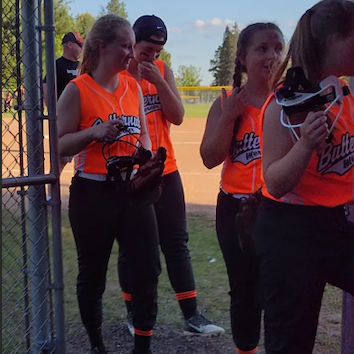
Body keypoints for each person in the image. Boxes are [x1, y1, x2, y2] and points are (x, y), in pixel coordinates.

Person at [253, 1, 354, 353]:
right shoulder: (286, 102)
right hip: (289, 233)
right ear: (335, 40)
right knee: (290, 344)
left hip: (336, 224)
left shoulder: (342, 93)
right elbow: (275, 183)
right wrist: (306, 144)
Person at [57, 14, 161, 354]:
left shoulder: (132, 86)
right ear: (102, 46)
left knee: (147, 268)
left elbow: (143, 132)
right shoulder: (78, 89)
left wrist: (147, 158)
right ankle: (97, 345)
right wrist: (93, 132)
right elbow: (59, 145)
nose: (131, 53)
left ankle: (141, 348)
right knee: (93, 274)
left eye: (133, 46)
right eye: (125, 46)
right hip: (93, 193)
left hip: (131, 191)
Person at [118, 14, 225, 337]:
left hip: (166, 169)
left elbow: (177, 116)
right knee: (133, 246)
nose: (152, 58)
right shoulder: (118, 75)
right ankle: (132, 313)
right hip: (132, 173)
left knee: (177, 241)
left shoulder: (162, 71)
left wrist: (160, 80)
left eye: (158, 52)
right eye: (146, 50)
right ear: (132, 43)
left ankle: (192, 316)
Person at [200, 23, 284, 354]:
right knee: (244, 289)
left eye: (278, 48)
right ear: (243, 58)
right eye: (262, 48)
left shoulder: (290, 100)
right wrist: (228, 117)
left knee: (279, 288)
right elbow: (209, 158)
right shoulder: (227, 102)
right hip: (235, 208)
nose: (272, 55)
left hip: (279, 208)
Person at [44, 31, 84, 174]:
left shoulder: (83, 66)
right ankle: (51, 194)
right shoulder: (57, 65)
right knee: (61, 160)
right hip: (66, 119)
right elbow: (46, 88)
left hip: (84, 117)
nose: (81, 49)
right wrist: (54, 111)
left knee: (86, 156)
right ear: (70, 44)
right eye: (79, 45)